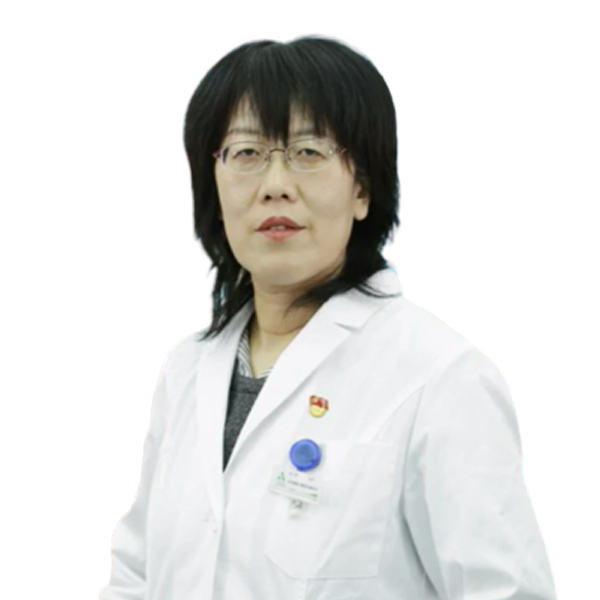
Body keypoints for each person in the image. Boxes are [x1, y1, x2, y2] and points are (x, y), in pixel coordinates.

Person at [99, 36, 557, 600]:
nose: (275, 186)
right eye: (246, 153)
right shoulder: (186, 371)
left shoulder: (441, 378)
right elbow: (136, 575)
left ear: (362, 188)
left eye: (309, 152)